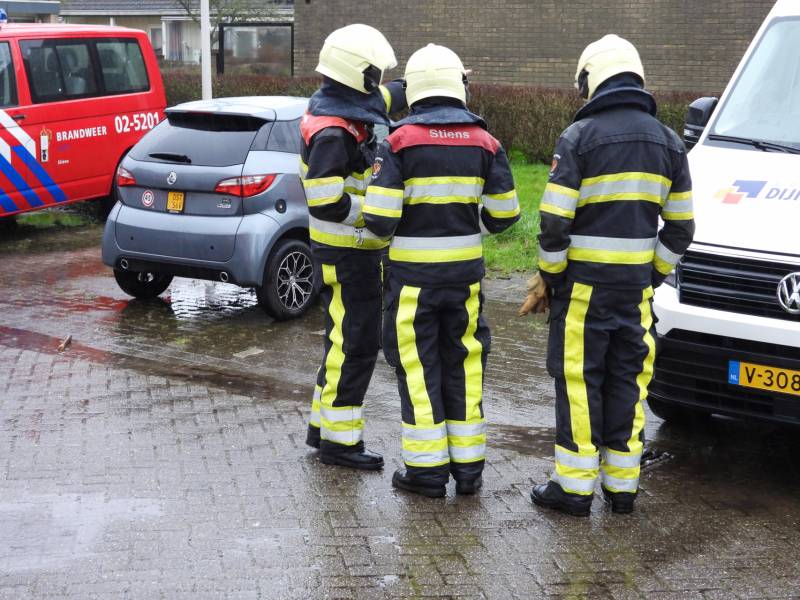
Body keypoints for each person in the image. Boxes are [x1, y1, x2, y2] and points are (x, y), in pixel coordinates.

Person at [519, 34, 695, 515]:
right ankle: (622, 488)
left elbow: (554, 221)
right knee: (627, 382)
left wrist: (552, 276)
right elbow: (682, 227)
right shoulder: (670, 142)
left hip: (583, 292)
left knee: (579, 383)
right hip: (635, 294)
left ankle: (573, 489)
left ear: (590, 81)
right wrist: (651, 275)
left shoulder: (579, 138)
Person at [363, 44, 520, 497]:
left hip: (413, 284)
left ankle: (426, 473)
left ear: (414, 88)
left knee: (418, 369)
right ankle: (468, 472)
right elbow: (505, 216)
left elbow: (380, 220)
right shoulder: (486, 142)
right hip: (465, 283)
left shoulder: (398, 142)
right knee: (464, 366)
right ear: (458, 86)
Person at [302, 24, 406, 470]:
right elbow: (325, 202)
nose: (378, 82)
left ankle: (321, 428)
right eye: (375, 74)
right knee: (357, 346)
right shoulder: (333, 132)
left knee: (339, 342)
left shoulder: (339, 102)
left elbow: (387, 96)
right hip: (348, 254)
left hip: (345, 253)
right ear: (359, 74)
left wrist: (432, 82)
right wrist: (376, 212)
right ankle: (340, 444)